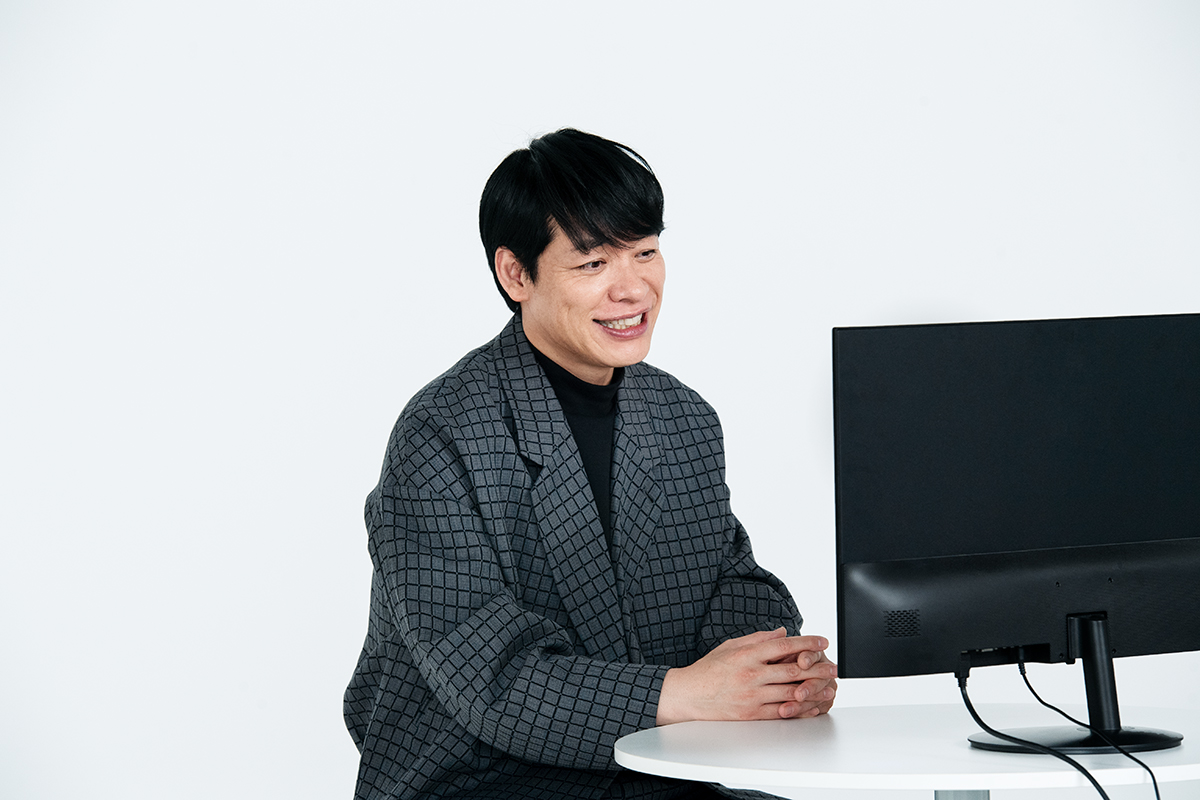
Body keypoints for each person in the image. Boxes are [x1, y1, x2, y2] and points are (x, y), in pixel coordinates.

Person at [344, 129, 837, 800]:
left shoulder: (682, 415)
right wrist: (688, 692)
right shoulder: (440, 433)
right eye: (593, 263)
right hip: (481, 782)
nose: (632, 289)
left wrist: (775, 674)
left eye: (645, 252)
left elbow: (730, 580)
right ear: (516, 274)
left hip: (661, 769)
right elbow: (494, 679)